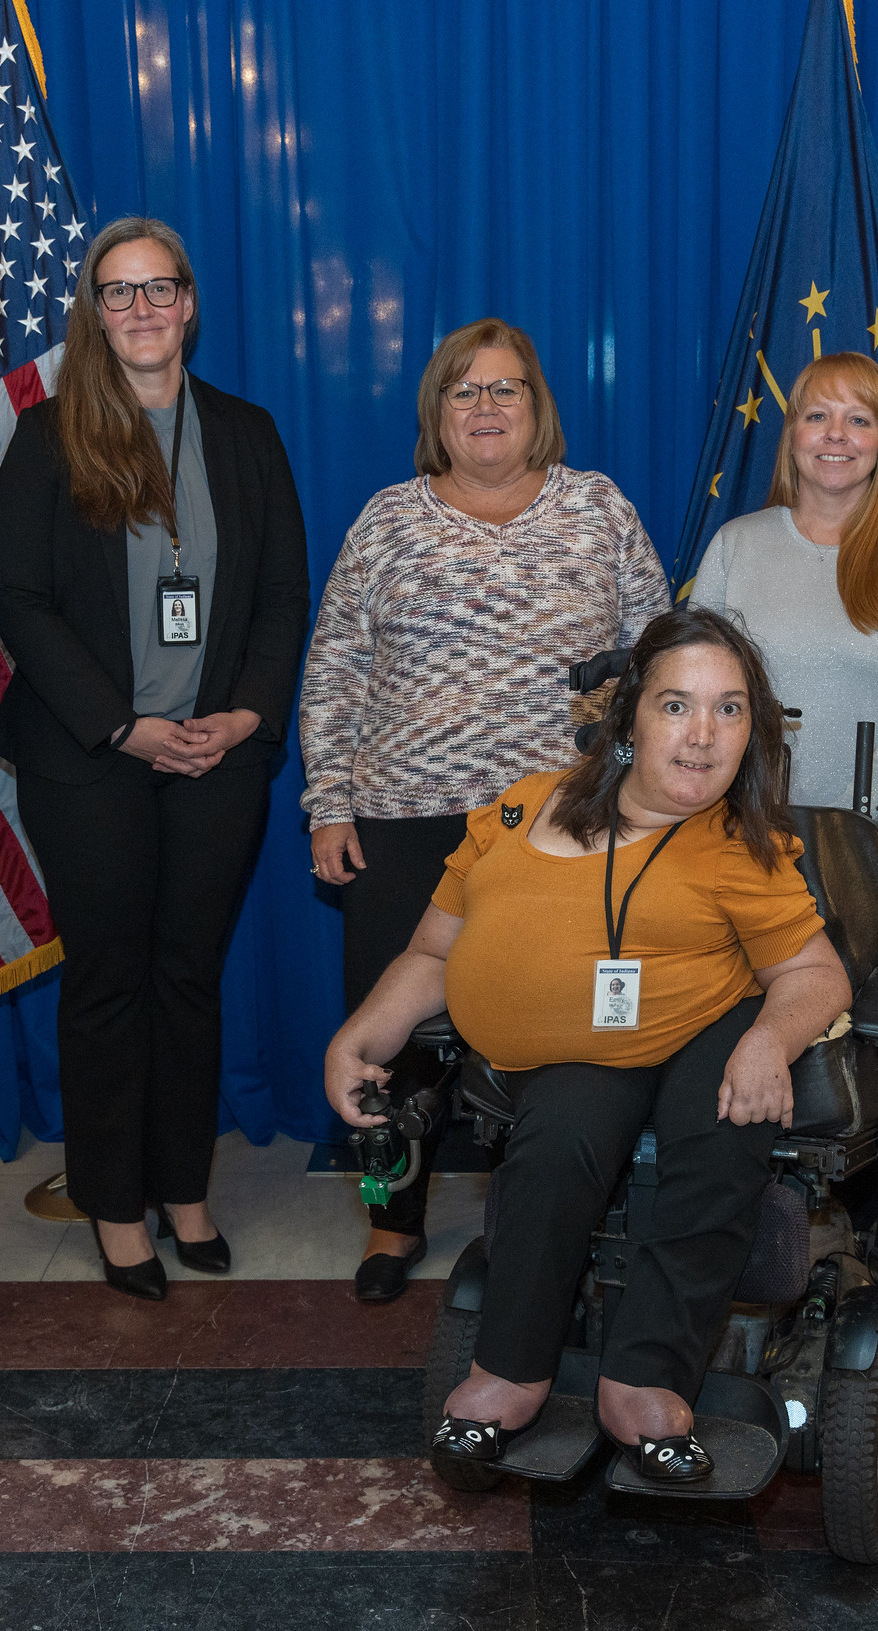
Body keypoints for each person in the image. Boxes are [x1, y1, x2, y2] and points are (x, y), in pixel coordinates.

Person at [323, 607, 849, 1478]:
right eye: (677, 705)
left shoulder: (740, 846)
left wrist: (768, 1042)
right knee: (561, 1134)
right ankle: (509, 1371)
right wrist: (358, 1041)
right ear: (629, 719)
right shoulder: (521, 806)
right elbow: (431, 952)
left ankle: (645, 1379)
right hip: (577, 1054)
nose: (704, 735)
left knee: (726, 1127)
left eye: (730, 710)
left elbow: (815, 973)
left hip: (701, 1022)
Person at [299, 317, 670, 1302]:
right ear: (437, 413)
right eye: (465, 391)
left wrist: (640, 792)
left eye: (504, 388)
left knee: (552, 1036)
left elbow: (653, 655)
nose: (486, 407)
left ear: (536, 405)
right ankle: (389, 1222)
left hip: (559, 827)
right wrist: (326, 805)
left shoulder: (597, 510)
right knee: (392, 1044)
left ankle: (537, 1215)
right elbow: (335, 665)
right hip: (402, 816)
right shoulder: (385, 521)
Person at [0, 217, 309, 1302]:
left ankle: (185, 1193)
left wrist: (250, 716)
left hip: (220, 759)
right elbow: (18, 600)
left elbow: (279, 598)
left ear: (188, 301)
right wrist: (120, 725)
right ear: (91, 310)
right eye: (115, 293)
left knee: (188, 980)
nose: (139, 310)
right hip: (92, 762)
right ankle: (114, 1209)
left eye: (157, 288)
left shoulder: (246, 434)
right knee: (109, 984)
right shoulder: (46, 437)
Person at [689, 350, 878, 1217]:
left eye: (860, 419)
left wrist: (855, 817)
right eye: (818, 414)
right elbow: (701, 682)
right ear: (791, 433)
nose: (837, 436)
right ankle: (760, 1240)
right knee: (762, 1040)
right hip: (761, 849)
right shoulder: (739, 545)